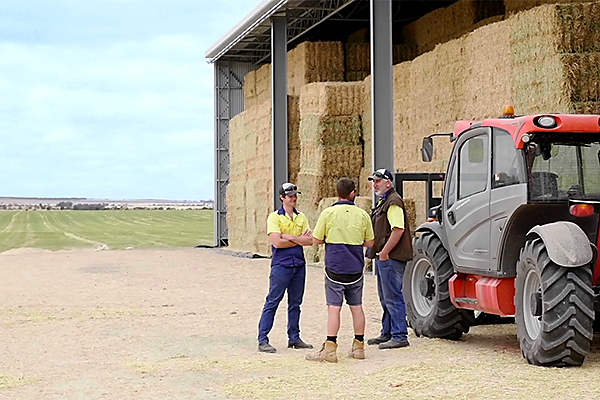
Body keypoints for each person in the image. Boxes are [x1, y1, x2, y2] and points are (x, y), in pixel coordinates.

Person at [306, 178, 374, 363]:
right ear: (353, 194)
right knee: (357, 307)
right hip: (355, 269)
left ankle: (330, 348)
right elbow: (370, 243)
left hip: (335, 268)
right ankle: (359, 346)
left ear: (337, 193)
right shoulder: (362, 215)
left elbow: (317, 240)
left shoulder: (328, 213)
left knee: (334, 308)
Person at [257, 182, 314, 353]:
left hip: (298, 265)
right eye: (290, 196)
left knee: (295, 303)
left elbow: (310, 241)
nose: (294, 198)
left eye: (295, 195)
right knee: (273, 301)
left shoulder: (301, 217)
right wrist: (298, 239)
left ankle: (294, 338)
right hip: (281, 265)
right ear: (282, 197)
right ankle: (263, 339)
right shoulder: (274, 217)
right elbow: (277, 243)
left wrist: (289, 236)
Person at [366, 168, 413, 350]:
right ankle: (387, 332)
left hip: (391, 258)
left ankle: (399, 335)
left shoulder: (393, 202)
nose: (375, 184)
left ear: (389, 182)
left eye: (378, 181)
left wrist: (384, 252)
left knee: (393, 296)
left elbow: (398, 229)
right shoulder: (384, 201)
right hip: (386, 257)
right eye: (374, 181)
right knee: (385, 297)